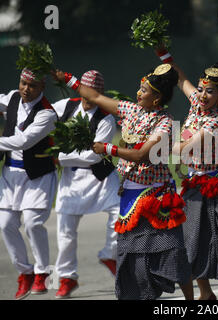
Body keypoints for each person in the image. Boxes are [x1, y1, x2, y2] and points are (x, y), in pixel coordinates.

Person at [52, 64, 194, 300]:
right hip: (129, 194)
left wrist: (108, 148)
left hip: (156, 195)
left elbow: (142, 155)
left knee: (172, 252)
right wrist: (67, 79)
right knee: (130, 256)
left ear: (157, 98)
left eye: (144, 90)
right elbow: (95, 96)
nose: (138, 93)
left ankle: (192, 301)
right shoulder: (130, 109)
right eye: (139, 88)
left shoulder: (165, 123)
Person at [154, 47, 218, 300]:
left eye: (210, 91)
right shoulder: (194, 102)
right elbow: (180, 78)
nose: (203, 95)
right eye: (201, 89)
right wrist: (163, 54)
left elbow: (186, 147)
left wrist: (153, 145)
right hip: (194, 182)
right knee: (192, 240)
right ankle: (206, 293)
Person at [51, 70, 121, 299]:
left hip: (100, 177)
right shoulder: (66, 106)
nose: (87, 96)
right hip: (71, 180)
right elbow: (43, 114)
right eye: (85, 91)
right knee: (65, 232)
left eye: (93, 92)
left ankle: (110, 254)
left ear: (99, 93)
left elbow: (94, 155)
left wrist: (59, 157)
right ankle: (67, 277)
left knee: (120, 215)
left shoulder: (106, 118)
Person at [0, 68, 58, 300]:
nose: (26, 89)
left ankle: (42, 272)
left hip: (37, 176)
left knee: (33, 223)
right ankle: (25, 272)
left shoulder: (47, 114)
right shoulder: (13, 97)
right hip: (10, 174)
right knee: (5, 224)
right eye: (23, 83)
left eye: (32, 86)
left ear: (42, 87)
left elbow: (24, 141)